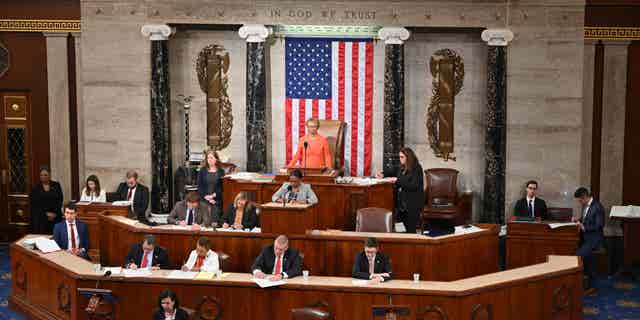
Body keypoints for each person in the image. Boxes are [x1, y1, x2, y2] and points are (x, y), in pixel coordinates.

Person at [376, 147, 424, 234]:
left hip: (412, 203)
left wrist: (397, 180)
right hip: (402, 204)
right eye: (399, 157)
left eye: (402, 157)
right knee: (400, 227)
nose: (400, 159)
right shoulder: (402, 167)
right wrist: (383, 174)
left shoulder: (417, 168)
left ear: (408, 157)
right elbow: (392, 171)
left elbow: (414, 185)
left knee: (410, 229)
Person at [573, 187, 605, 294]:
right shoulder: (586, 205)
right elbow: (587, 220)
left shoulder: (597, 207)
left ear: (585, 197)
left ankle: (584, 284)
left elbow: (599, 226)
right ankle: (590, 285)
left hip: (594, 239)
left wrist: (583, 227)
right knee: (588, 260)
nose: (579, 202)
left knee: (577, 257)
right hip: (587, 239)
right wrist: (579, 220)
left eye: (580, 200)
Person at [29, 166, 64, 234]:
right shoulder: (35, 188)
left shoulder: (56, 185)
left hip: (55, 216)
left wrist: (54, 213)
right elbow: (34, 204)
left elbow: (60, 200)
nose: (43, 177)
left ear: (49, 175)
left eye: (45, 175)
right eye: (41, 175)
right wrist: (46, 214)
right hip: (41, 217)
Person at [197, 150, 225, 223]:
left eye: (211, 158)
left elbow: (222, 187)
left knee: (215, 221)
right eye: (208, 158)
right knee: (204, 222)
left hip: (216, 199)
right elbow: (200, 186)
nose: (209, 160)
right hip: (204, 198)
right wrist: (206, 197)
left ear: (216, 159)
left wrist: (213, 196)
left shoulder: (221, 171)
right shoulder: (202, 171)